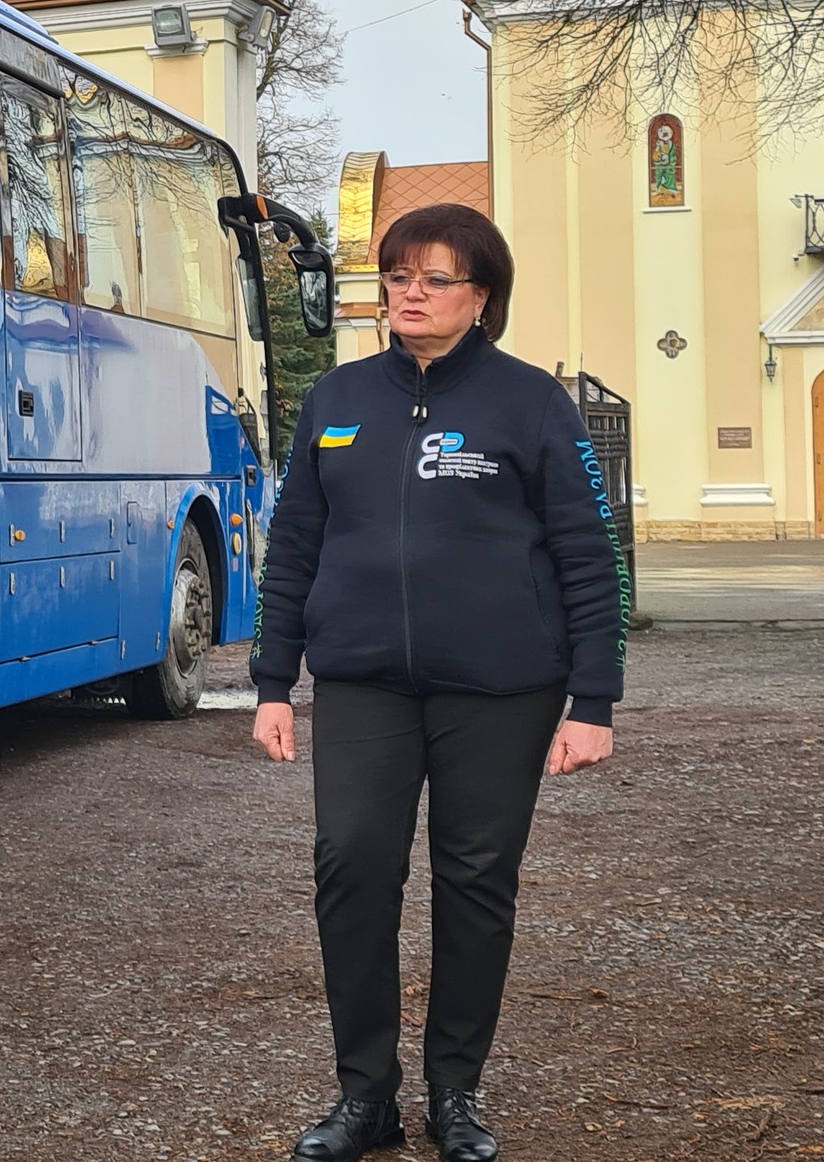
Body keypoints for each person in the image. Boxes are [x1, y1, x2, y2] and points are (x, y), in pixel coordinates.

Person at [250, 203, 627, 1162]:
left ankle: (455, 1095)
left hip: (502, 690)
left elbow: (590, 556)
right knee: (353, 869)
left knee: (474, 883)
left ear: (481, 297)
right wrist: (271, 680)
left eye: (434, 279)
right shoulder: (335, 402)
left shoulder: (531, 404)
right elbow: (293, 545)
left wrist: (593, 702)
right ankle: (364, 1099)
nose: (409, 294)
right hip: (365, 685)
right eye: (396, 277)